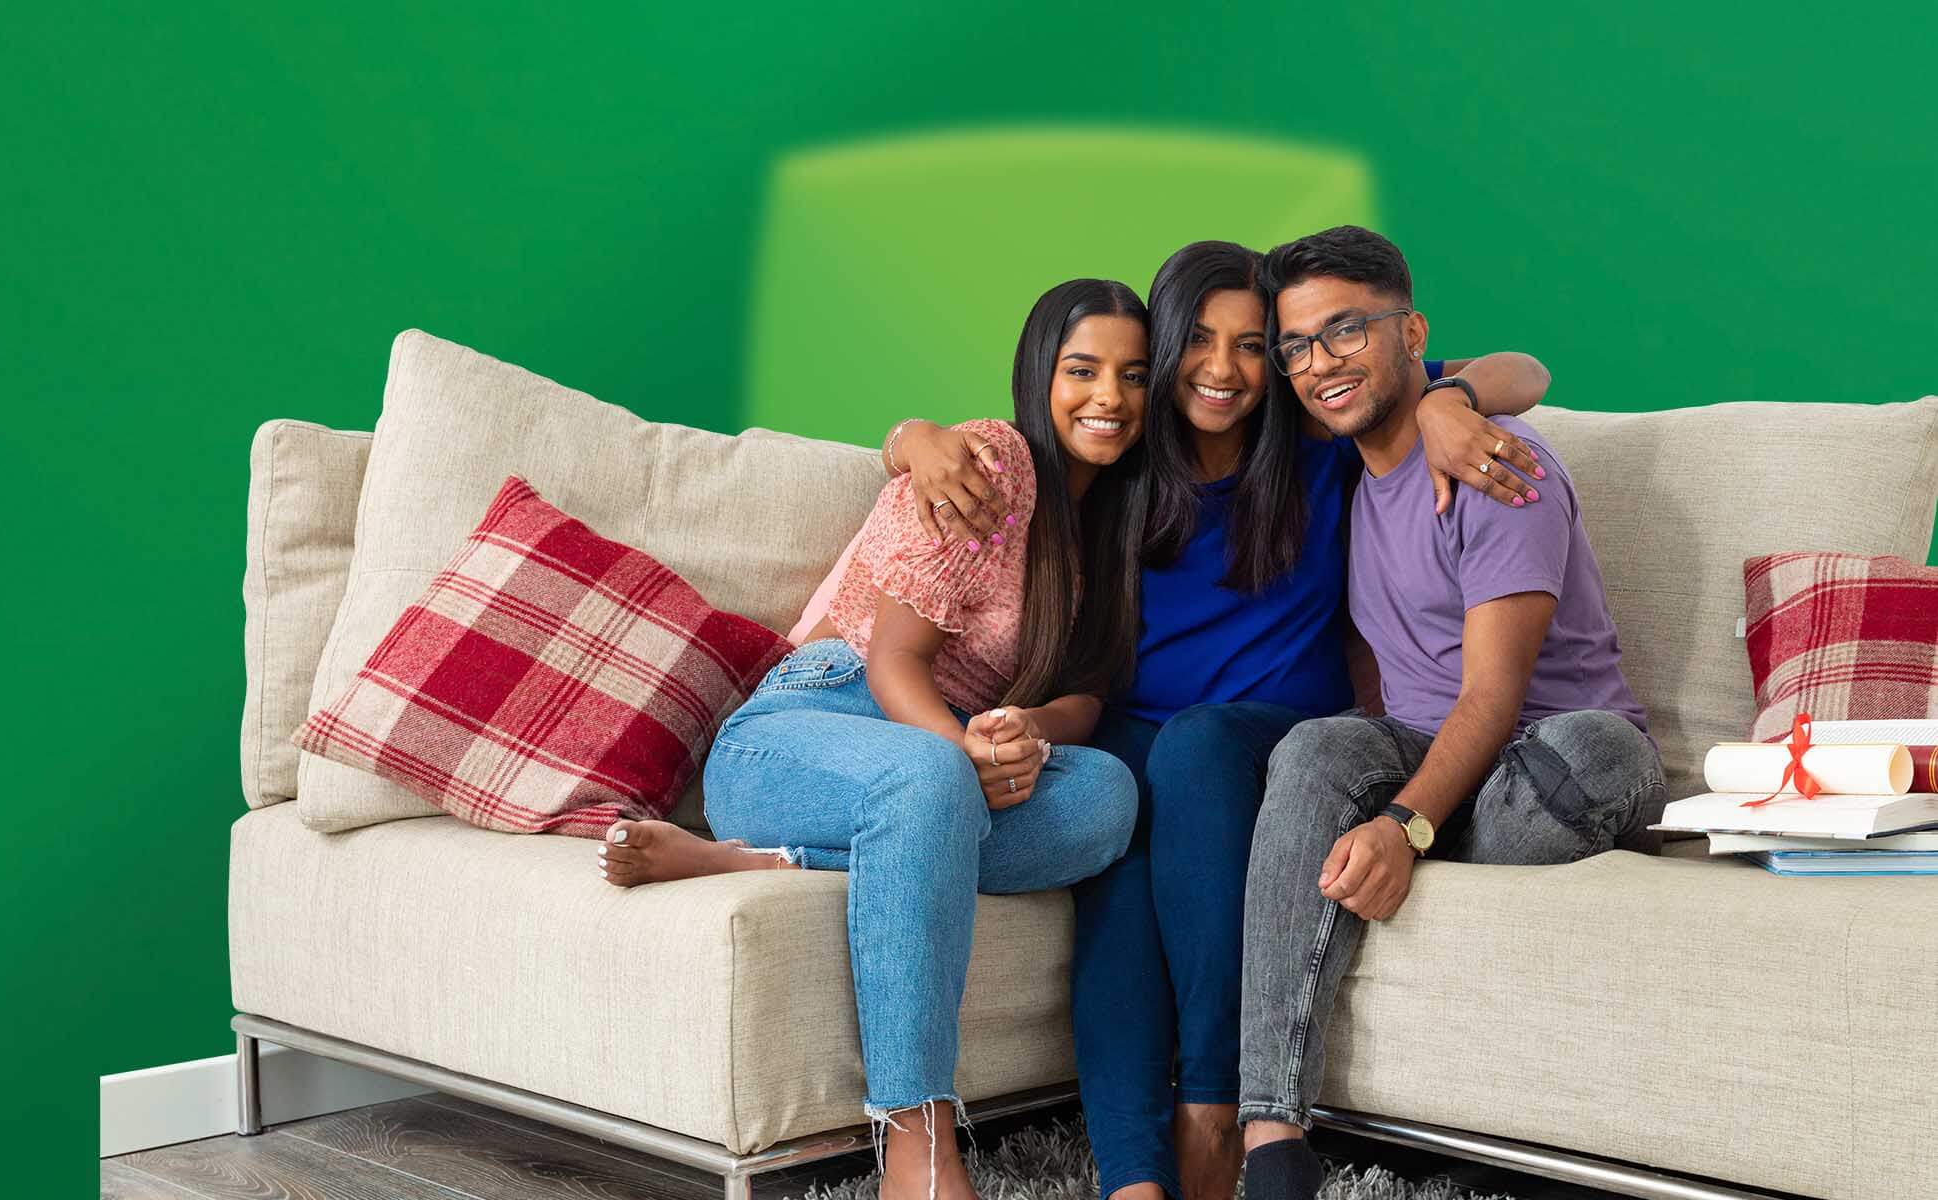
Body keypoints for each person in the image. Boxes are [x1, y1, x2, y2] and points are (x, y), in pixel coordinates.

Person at [886, 240, 1552, 1200]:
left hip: (1269, 738)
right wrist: (910, 433)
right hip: (1133, 729)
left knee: (1194, 750)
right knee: (1113, 851)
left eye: (1251, 346)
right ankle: (1133, 1181)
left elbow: (1527, 371)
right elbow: (995, 450)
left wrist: (1453, 401)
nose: (1222, 369)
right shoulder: (1122, 462)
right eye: (1197, 340)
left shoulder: (1319, 437)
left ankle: (1210, 1110)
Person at [601, 279, 1151, 1200]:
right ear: (1037, 375)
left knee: (1108, 797)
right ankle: (917, 1140)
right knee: (928, 782)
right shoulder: (996, 460)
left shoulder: (1117, 525)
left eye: (1134, 376)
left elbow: (1085, 697)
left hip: (937, 755)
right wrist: (962, 756)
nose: (1110, 397)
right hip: (811, 725)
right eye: (1082, 370)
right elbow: (897, 659)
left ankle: (768, 863)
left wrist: (1028, 736)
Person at [1232, 226, 1661, 1200]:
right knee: (1313, 745)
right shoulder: (1341, 458)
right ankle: (1270, 1137)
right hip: (1434, 753)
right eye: (1294, 344)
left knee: (1584, 749)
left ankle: (1431, 835)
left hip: (1551, 757)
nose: (1317, 364)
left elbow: (1492, 697)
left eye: (1342, 331)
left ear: (1410, 332)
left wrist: (1399, 823)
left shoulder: (1495, 466)